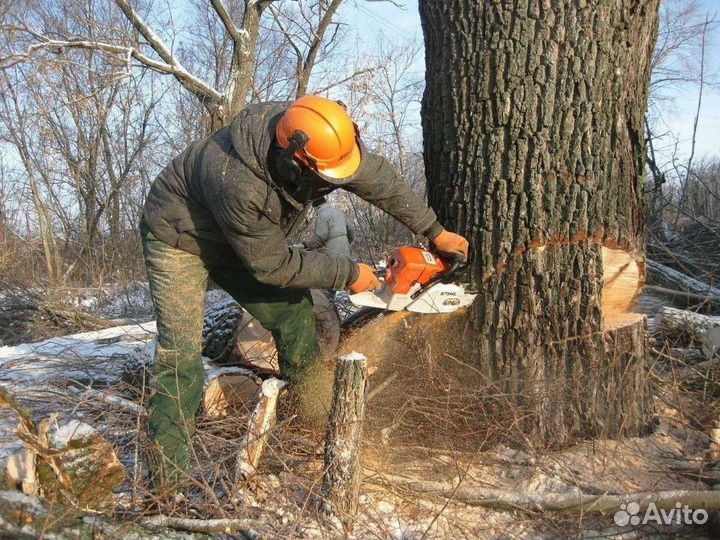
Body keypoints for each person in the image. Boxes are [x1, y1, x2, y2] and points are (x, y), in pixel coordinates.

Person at [140, 95, 469, 490]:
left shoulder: (318, 137)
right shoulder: (237, 179)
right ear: (293, 161)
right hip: (180, 238)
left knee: (294, 315)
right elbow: (272, 265)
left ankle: (316, 417)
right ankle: (166, 484)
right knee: (180, 355)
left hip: (243, 237)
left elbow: (379, 178)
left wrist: (434, 230)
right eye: (324, 181)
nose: (329, 188)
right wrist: (348, 273)